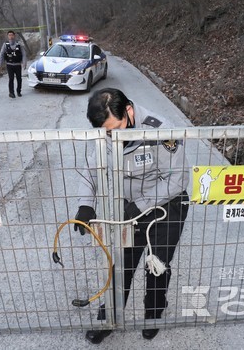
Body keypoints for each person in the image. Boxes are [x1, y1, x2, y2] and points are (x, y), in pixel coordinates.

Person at [73, 88, 190, 344]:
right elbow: (91, 171)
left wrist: (143, 203)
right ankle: (110, 318)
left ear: (128, 111)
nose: (111, 136)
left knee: (157, 263)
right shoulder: (104, 133)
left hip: (167, 205)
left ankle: (154, 312)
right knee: (122, 263)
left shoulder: (161, 131)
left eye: (115, 129)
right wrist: (85, 205)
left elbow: (179, 178)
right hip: (130, 208)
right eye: (106, 132)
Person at [0, 30, 27, 98]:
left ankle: (18, 91)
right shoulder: (5, 45)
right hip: (9, 65)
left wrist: (24, 63)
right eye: (9, 35)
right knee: (11, 79)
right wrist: (0, 65)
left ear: (14, 36)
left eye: (12, 35)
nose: (11, 36)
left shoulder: (19, 44)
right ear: (8, 36)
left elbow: (24, 54)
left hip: (17, 64)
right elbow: (1, 54)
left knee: (19, 79)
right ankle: (11, 93)